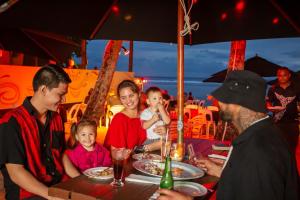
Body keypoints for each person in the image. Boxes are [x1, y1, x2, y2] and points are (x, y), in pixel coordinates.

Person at [158, 70, 299, 200]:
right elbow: (249, 182)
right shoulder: (263, 133)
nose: (218, 102)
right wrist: (222, 171)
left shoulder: (257, 152)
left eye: (222, 98)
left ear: (236, 103)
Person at [0, 64, 80, 200]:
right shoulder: (12, 122)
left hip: (57, 186)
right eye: (60, 94)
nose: (64, 99)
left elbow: (61, 154)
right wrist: (51, 195)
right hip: (28, 194)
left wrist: (81, 180)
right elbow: (15, 172)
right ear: (43, 89)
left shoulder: (57, 118)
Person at [104, 80, 166, 151]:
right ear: (120, 99)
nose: (128, 101)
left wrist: (164, 131)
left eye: (131, 95)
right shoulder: (119, 119)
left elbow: (158, 138)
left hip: (148, 158)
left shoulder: (146, 115)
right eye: (123, 98)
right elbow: (118, 155)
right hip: (130, 161)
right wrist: (148, 148)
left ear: (139, 94)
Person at [266, 67, 300, 154]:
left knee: (292, 147)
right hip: (277, 122)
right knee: (278, 148)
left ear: (289, 75)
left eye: (284, 75)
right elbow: (268, 102)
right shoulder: (273, 89)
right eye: (279, 76)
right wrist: (271, 108)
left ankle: (290, 166)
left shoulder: (296, 88)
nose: (282, 78)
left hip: (293, 122)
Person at [140, 87, 171, 151]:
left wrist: (162, 110)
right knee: (161, 144)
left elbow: (168, 122)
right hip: (151, 139)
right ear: (148, 101)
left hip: (163, 138)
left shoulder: (164, 111)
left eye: (160, 98)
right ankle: (146, 148)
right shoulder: (146, 112)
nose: (158, 100)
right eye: (154, 98)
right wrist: (153, 119)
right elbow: (144, 126)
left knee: (168, 144)